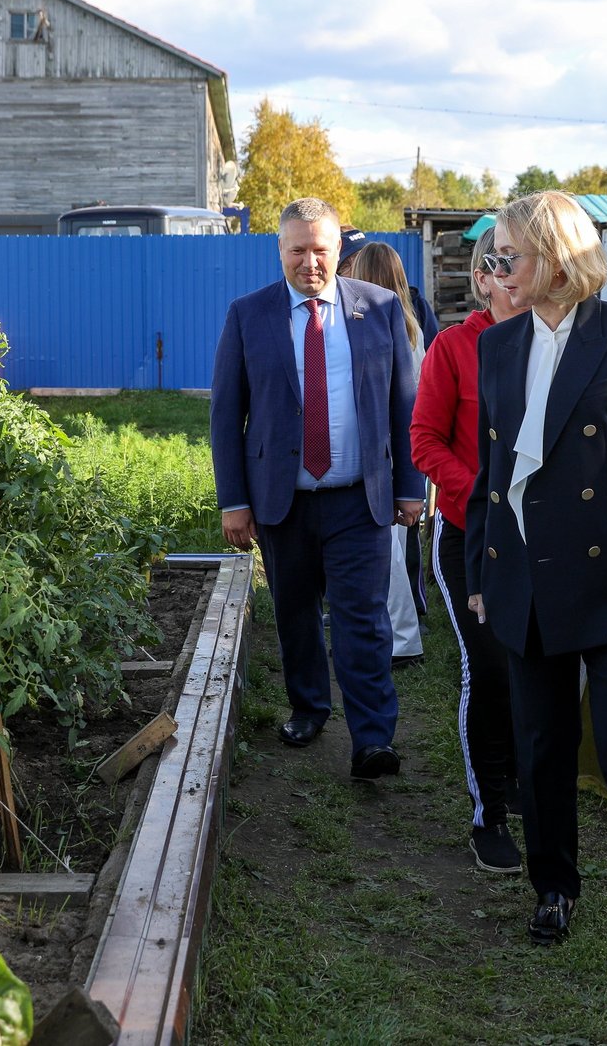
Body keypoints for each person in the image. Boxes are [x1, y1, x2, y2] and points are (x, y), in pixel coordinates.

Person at [463, 190, 607, 983]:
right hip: (524, 580)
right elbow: (493, 480)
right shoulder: (497, 348)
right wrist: (480, 576)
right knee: (542, 751)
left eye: (509, 257)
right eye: (494, 258)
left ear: (558, 259)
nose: (496, 272)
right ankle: (554, 889)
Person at [211, 198, 425, 780]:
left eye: (321, 250)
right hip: (283, 501)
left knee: (364, 619)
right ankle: (308, 708)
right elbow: (227, 414)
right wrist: (234, 500)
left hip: (361, 499)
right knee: (295, 613)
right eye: (298, 250)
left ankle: (373, 738)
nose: (311, 261)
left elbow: (406, 405)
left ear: (338, 250)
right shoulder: (248, 314)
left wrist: (411, 486)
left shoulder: (378, 309)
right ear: (280, 250)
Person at [409, 226, 522, 875]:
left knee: (531, 669)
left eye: (520, 266)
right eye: (497, 269)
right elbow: (424, 440)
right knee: (488, 666)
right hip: (469, 536)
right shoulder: (454, 348)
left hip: (540, 542)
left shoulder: (553, 346)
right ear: (480, 280)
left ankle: (520, 781)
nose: (509, 279)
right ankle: (489, 816)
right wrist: (480, 493)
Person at [339, 239, 425, 668]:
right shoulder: (410, 323)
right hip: (403, 448)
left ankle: (402, 641)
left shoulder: (383, 325)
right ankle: (392, 633)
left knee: (388, 553)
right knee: (393, 550)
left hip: (388, 452)